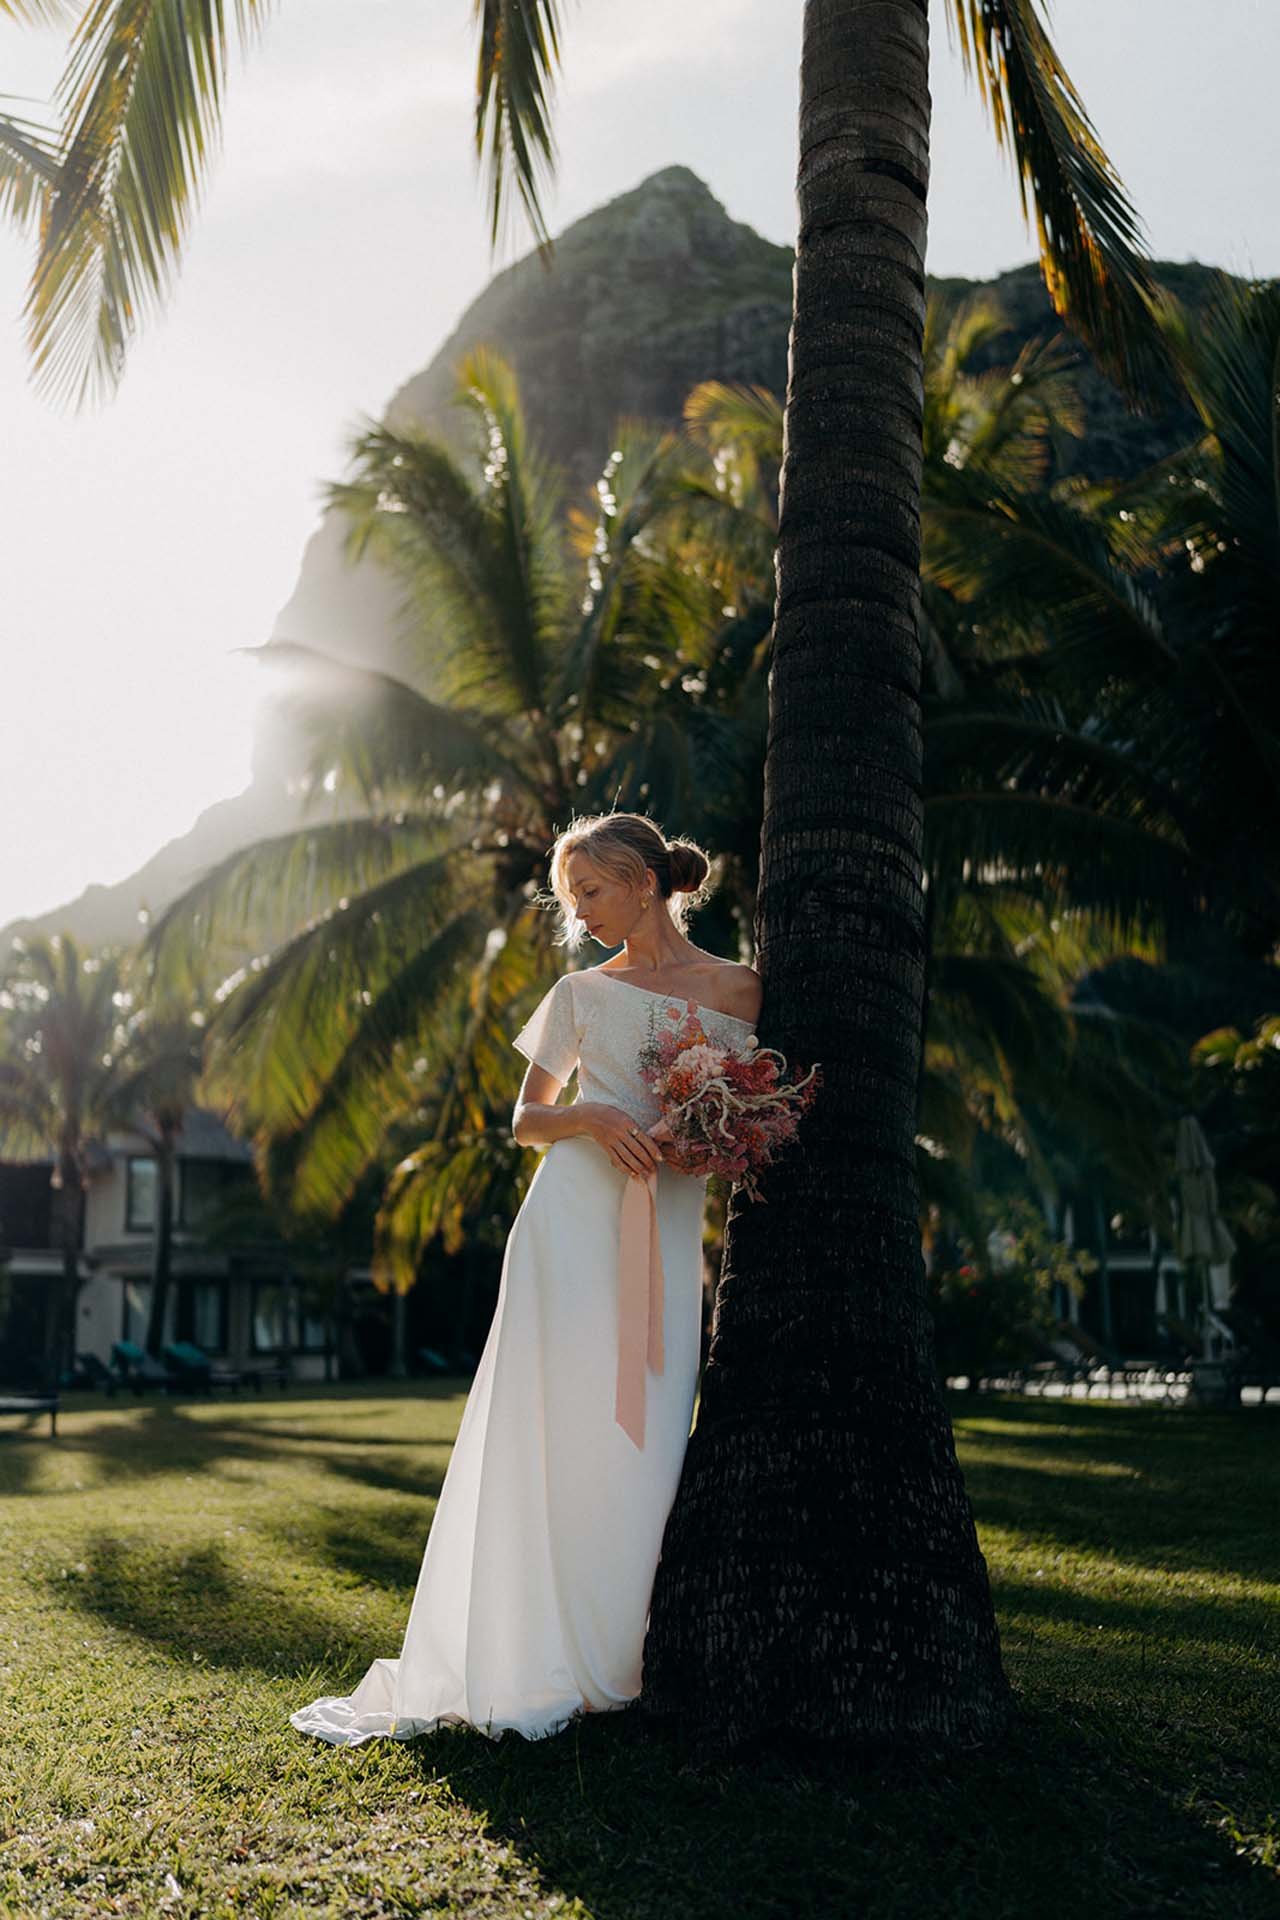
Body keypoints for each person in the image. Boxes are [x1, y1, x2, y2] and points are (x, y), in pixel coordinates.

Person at [289, 811, 763, 1745]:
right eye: (570, 897)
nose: (579, 912)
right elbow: (523, 1119)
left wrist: (690, 1135)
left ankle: (621, 1651)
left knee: (649, 1432)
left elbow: (740, 1120)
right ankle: (530, 1646)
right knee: (549, 1426)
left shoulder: (741, 988)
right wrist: (593, 1117)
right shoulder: (579, 994)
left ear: (641, 879)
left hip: (663, 1235)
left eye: (590, 891)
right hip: (567, 1233)